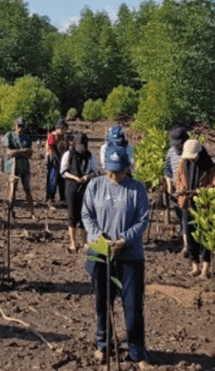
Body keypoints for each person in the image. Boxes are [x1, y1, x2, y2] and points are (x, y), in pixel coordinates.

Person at [82, 146, 151, 370]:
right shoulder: (95, 185)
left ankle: (137, 351)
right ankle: (103, 345)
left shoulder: (136, 188)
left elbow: (142, 219)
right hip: (100, 253)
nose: (114, 176)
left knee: (132, 305)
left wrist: (124, 239)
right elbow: (86, 214)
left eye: (119, 172)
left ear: (127, 169)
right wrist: (98, 237)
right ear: (105, 168)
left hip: (129, 255)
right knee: (102, 302)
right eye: (110, 171)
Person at [175, 139, 214, 278]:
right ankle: (195, 266)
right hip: (188, 204)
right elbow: (179, 179)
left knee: (205, 237)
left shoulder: (210, 166)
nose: (192, 160)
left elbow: (213, 186)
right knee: (190, 235)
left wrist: (198, 192)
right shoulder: (184, 163)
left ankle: (205, 269)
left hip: (204, 207)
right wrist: (182, 190)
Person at [62, 133, 99, 254]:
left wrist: (87, 177)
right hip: (71, 186)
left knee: (84, 214)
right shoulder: (68, 154)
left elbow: (95, 172)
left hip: (85, 186)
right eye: (79, 146)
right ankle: (72, 242)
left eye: (83, 146)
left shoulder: (90, 156)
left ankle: (83, 241)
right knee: (72, 215)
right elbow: (63, 172)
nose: (81, 148)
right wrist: (75, 177)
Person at [3, 117, 36, 220]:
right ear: (14, 126)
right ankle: (10, 211)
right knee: (12, 190)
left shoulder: (27, 138)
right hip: (12, 166)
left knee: (27, 189)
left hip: (24, 166)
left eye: (22, 126)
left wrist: (17, 151)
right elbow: (9, 153)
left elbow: (30, 154)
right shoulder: (9, 136)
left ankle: (32, 212)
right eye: (19, 126)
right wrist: (22, 151)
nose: (20, 129)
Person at [164, 127, 190, 241]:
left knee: (188, 217)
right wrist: (169, 185)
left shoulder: (191, 152)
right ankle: (184, 237)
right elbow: (167, 170)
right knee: (180, 215)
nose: (177, 147)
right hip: (175, 191)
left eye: (179, 144)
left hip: (189, 192)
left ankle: (188, 242)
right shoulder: (171, 151)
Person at [45, 119, 71, 207]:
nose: (63, 130)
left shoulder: (64, 137)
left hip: (62, 158)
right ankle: (50, 198)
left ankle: (62, 198)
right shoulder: (53, 136)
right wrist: (54, 156)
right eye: (62, 129)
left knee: (62, 179)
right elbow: (49, 148)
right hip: (54, 160)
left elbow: (67, 146)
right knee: (53, 179)